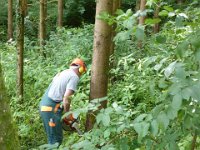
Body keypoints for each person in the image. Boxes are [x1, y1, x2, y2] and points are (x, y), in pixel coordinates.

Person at [39, 58, 87, 146]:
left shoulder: (63, 72)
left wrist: (66, 111)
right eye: (82, 72)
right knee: (55, 141)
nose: (81, 74)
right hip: (50, 108)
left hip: (46, 105)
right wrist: (67, 114)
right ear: (81, 69)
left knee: (53, 138)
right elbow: (66, 98)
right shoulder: (74, 77)